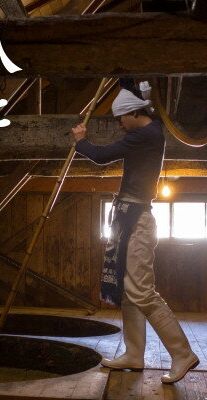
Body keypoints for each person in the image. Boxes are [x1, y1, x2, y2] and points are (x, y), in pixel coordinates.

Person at [71, 85, 199, 384]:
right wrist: (122, 76)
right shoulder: (148, 132)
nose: (120, 124)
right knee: (129, 291)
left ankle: (182, 354)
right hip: (131, 216)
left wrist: (81, 140)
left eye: (121, 118)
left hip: (138, 219)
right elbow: (128, 85)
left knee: (141, 290)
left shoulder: (145, 134)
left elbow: (102, 155)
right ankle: (133, 353)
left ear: (134, 112)